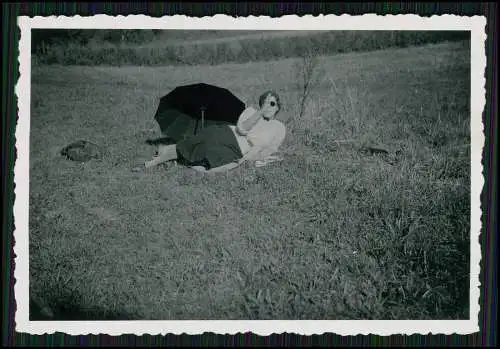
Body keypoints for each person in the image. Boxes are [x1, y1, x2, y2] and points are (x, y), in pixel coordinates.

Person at [135, 91, 286, 173]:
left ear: (277, 107)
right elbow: (242, 129)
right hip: (228, 133)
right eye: (265, 102)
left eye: (272, 103)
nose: (268, 106)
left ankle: (172, 158)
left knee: (208, 160)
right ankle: (151, 163)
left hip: (240, 149)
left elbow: (271, 149)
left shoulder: (279, 127)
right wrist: (260, 112)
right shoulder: (252, 112)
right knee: (194, 143)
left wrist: (250, 159)